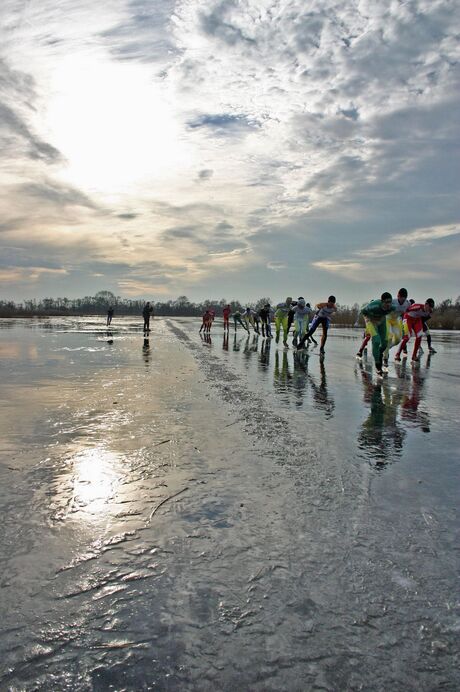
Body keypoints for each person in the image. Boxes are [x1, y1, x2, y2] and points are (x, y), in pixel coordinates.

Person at [359, 293, 395, 376]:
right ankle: (378, 365)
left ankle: (379, 354)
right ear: (382, 302)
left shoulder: (392, 307)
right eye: (386, 302)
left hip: (381, 320)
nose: (388, 304)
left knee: (385, 343)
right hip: (370, 320)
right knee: (376, 341)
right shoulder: (373, 306)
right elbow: (363, 311)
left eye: (390, 302)